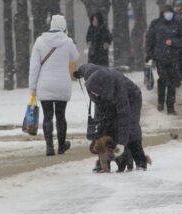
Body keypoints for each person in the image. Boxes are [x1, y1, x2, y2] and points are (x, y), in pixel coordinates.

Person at [73, 63, 149, 171]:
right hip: (106, 100)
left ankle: (140, 161)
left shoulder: (119, 90)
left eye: (97, 94)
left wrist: (122, 144)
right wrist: (78, 73)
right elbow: (84, 67)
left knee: (131, 128)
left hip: (132, 98)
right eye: (94, 94)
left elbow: (124, 120)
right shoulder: (91, 74)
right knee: (104, 125)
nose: (95, 96)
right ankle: (104, 161)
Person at [29, 14, 80, 156]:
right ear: (63, 27)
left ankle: (49, 147)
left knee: (47, 116)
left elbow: (34, 67)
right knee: (60, 116)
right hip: (62, 84)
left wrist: (32, 87)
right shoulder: (68, 41)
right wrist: (69, 39)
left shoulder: (39, 41)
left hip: (45, 85)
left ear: (51, 25)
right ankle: (62, 146)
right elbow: (75, 57)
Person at [145, 4, 182, 114]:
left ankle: (170, 107)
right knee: (163, 80)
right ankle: (161, 102)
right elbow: (150, 39)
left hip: (173, 57)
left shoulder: (177, 24)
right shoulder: (155, 24)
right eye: (166, 12)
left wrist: (173, 42)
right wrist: (149, 54)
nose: (168, 14)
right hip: (160, 57)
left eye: (169, 12)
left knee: (172, 82)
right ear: (162, 13)